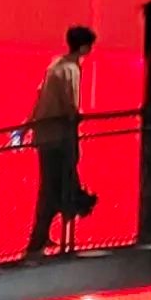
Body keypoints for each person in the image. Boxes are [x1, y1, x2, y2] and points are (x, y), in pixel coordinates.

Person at [25, 26, 97, 255]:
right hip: (60, 138)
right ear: (84, 47)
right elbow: (71, 105)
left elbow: (40, 96)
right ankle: (42, 243)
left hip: (45, 135)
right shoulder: (71, 69)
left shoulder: (55, 65)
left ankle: (42, 237)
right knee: (58, 186)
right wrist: (77, 119)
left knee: (50, 186)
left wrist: (27, 126)